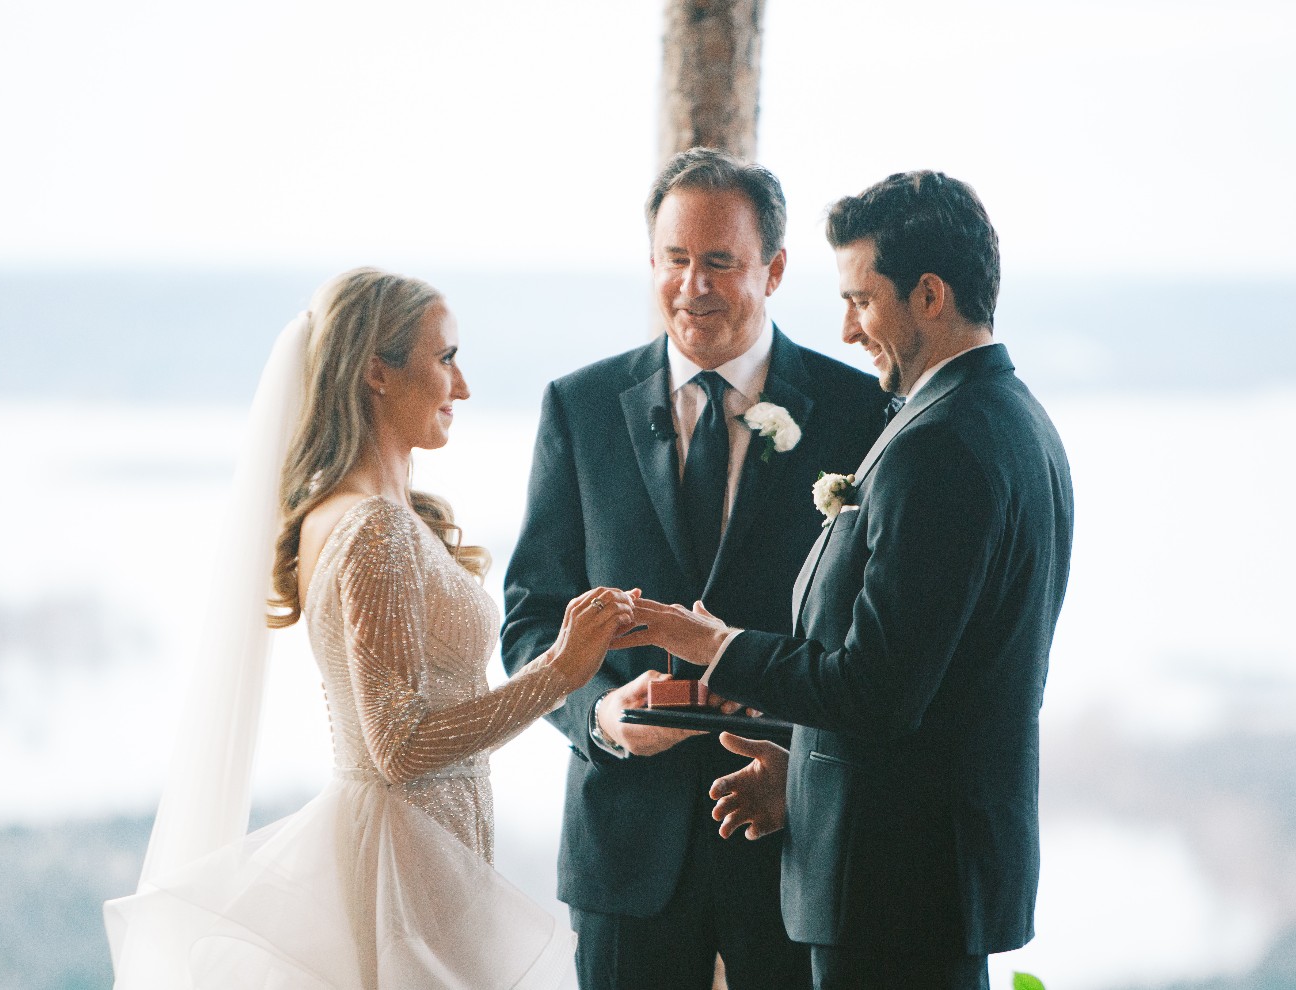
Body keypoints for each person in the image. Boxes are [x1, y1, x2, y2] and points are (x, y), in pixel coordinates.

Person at [103, 267, 635, 989]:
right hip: (402, 873)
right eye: (445, 358)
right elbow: (400, 746)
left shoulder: (383, 514)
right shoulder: (375, 529)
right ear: (376, 372)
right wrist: (559, 673)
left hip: (430, 850)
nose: (463, 387)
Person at [621, 171, 1076, 989]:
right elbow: (929, 685)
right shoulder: (1011, 418)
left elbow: (876, 689)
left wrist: (715, 645)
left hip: (898, 888)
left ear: (929, 294)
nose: (847, 328)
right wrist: (806, 781)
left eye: (862, 300)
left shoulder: (940, 446)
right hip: (920, 873)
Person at [500, 148, 886, 990]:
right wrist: (601, 716)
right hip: (624, 851)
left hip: (793, 843)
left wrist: (802, 767)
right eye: (674, 259)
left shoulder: (859, 412)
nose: (693, 286)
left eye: (720, 262)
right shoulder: (579, 408)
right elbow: (529, 620)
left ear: (774, 270)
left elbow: (874, 640)